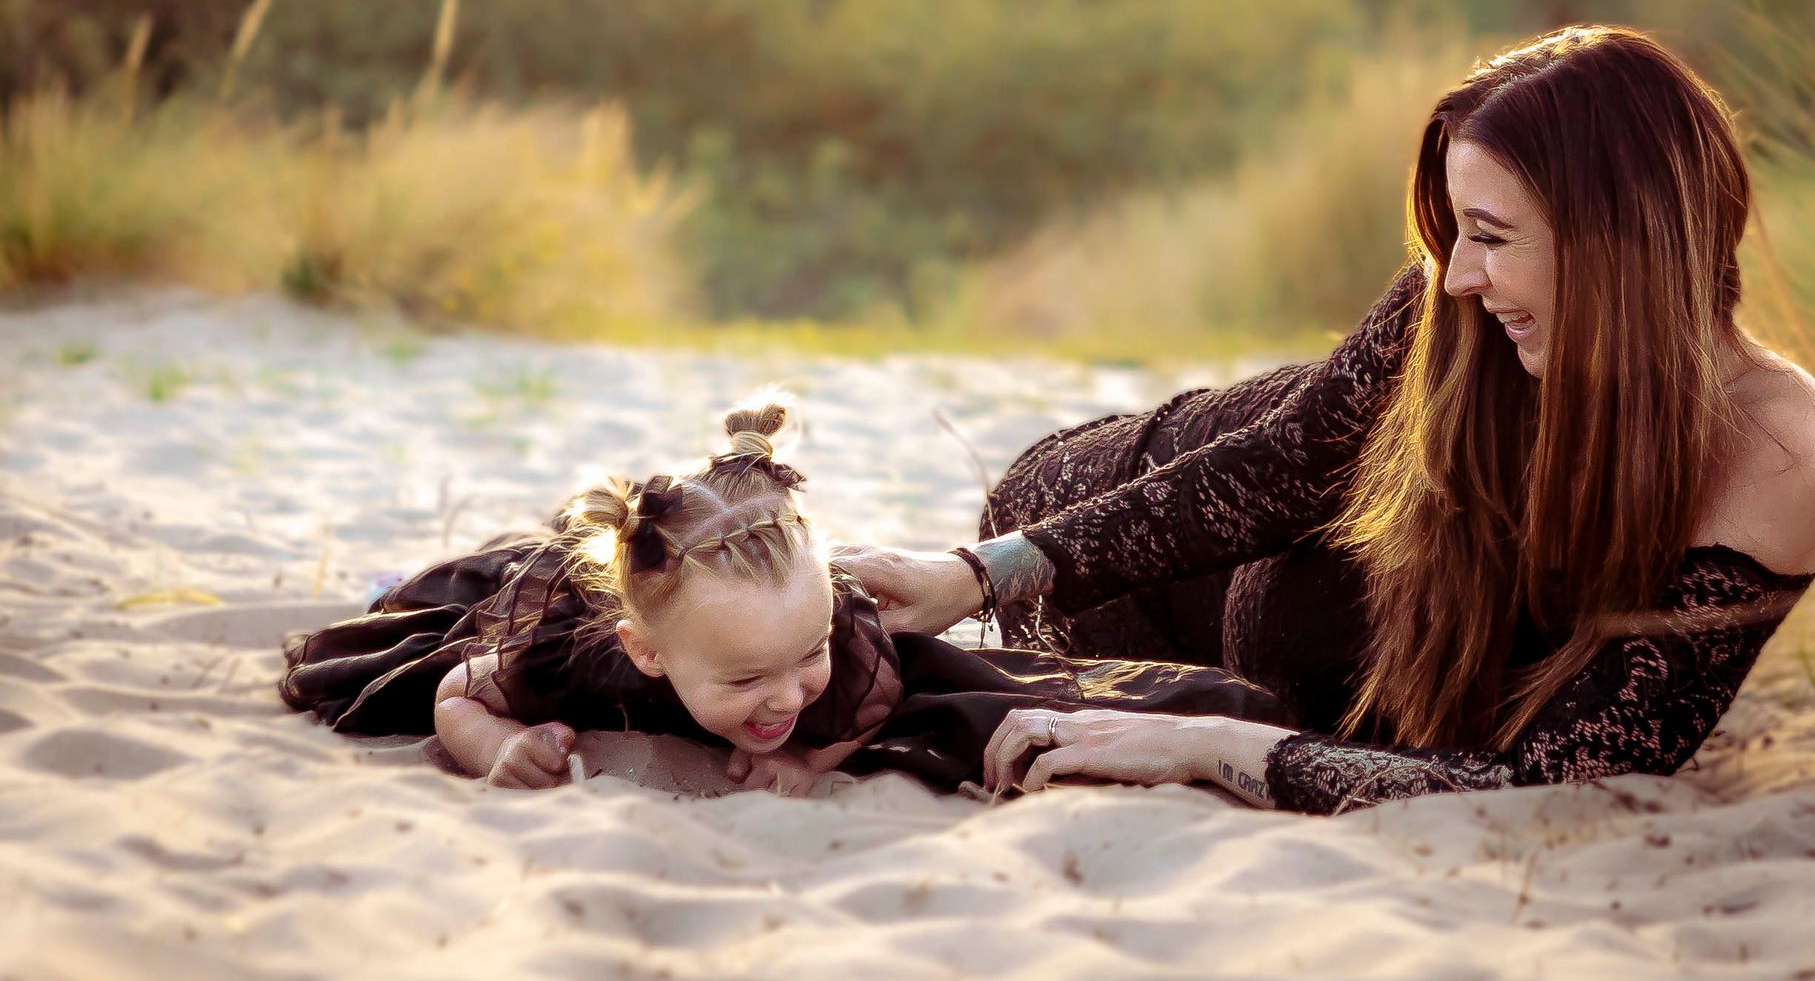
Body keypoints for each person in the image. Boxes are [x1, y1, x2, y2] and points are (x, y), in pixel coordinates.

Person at [839, 25, 1815, 814]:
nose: (1457, 277)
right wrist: (974, 576)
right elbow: (1283, 467)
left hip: (1297, 663)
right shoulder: (1456, 315)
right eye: (1454, 236)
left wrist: (1214, 747)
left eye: (1493, 237)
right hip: (1118, 517)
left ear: (1618, 244)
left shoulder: (1772, 453)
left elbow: (1565, 780)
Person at [280, 398, 1291, 796]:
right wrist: (493, 747)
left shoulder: (836, 645)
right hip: (588, 610)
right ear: (648, 655)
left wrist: (814, 753)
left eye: (796, 656)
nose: (784, 690)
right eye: (746, 676)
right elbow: (462, 687)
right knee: (471, 597)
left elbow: (878, 695)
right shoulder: (586, 652)